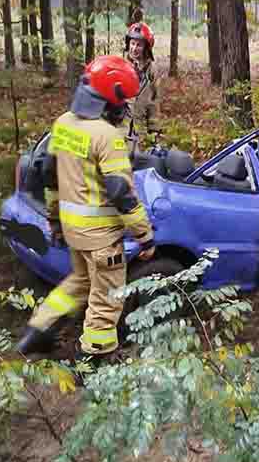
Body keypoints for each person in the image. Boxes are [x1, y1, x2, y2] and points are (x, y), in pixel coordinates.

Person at [17, 56, 156, 362]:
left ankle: (38, 331)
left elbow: (50, 176)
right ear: (111, 98)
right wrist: (144, 235)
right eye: (123, 101)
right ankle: (95, 356)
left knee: (79, 282)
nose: (125, 108)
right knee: (106, 298)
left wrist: (54, 220)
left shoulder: (63, 123)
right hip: (101, 238)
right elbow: (121, 193)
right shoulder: (108, 137)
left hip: (71, 228)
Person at [124, 21, 162, 143]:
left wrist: (154, 131)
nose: (134, 48)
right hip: (120, 130)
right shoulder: (120, 66)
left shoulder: (152, 71)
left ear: (146, 48)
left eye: (139, 45)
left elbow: (154, 103)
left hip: (140, 132)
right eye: (132, 44)